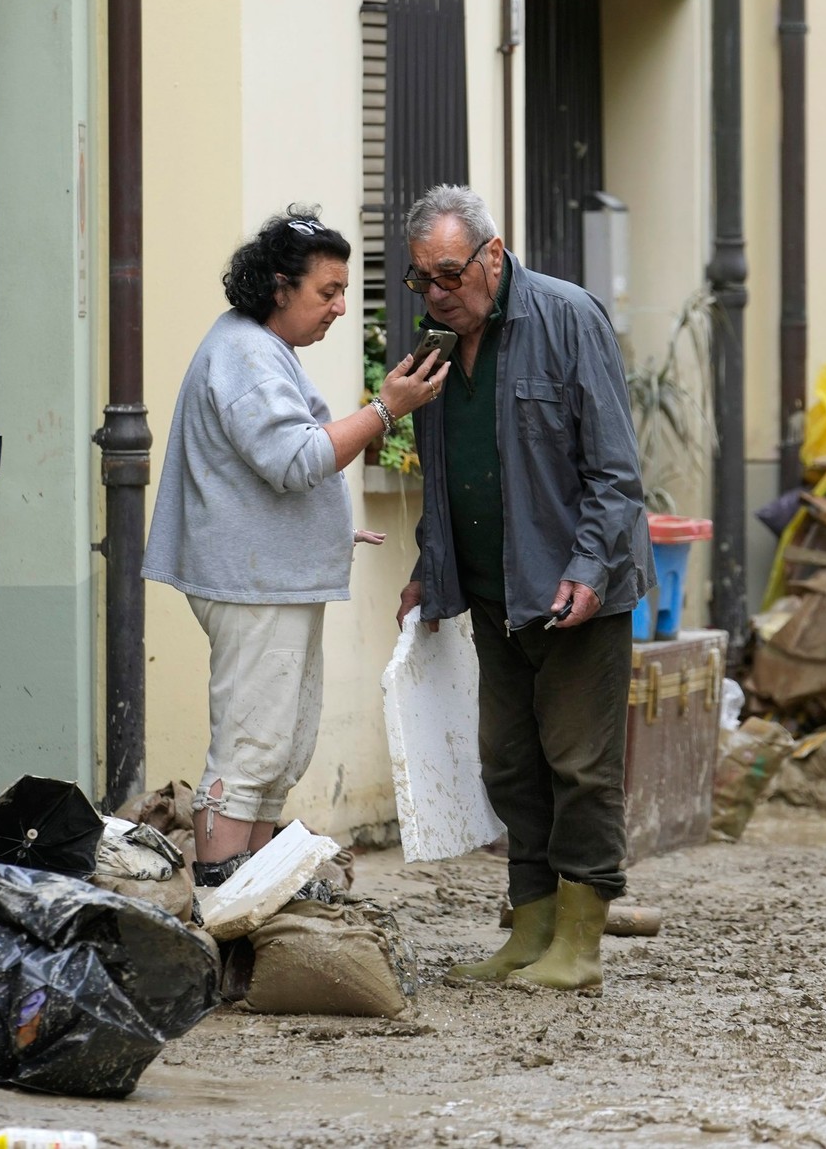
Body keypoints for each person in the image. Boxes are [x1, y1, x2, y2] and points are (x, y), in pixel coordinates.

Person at [396, 184, 652, 995]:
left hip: (574, 589)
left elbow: (615, 470)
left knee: (581, 763)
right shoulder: (437, 341)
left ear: (492, 256)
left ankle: (580, 941)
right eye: (422, 281)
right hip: (490, 591)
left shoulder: (568, 317)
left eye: (448, 275)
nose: (437, 295)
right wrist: (427, 566)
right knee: (509, 761)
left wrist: (587, 565)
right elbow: (444, 472)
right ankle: (530, 924)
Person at [144, 206, 448, 887]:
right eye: (328, 292)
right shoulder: (247, 354)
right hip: (254, 589)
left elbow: (262, 471)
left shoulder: (256, 347)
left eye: (344, 292)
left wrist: (326, 527)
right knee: (253, 745)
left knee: (278, 748)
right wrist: (386, 409)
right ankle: (226, 899)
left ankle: (248, 889)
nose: (341, 307)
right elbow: (294, 458)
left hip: (273, 579)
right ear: (279, 286)